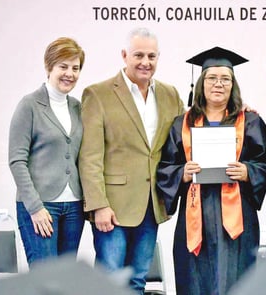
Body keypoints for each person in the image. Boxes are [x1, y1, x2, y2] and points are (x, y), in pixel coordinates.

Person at [157, 46, 266, 295]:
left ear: (233, 85)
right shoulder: (182, 123)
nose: (218, 84)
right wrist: (183, 173)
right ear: (201, 83)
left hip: (237, 215)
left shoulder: (250, 121)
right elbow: (165, 167)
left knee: (236, 278)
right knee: (195, 277)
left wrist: (247, 171)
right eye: (211, 78)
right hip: (194, 211)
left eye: (225, 79)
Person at [78, 27, 184, 294]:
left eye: (151, 56)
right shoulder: (98, 94)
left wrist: (237, 108)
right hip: (111, 208)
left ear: (158, 58)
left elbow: (191, 128)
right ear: (124, 55)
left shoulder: (170, 95)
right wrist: (98, 204)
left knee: (137, 279)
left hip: (152, 204)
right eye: (138, 55)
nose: (145, 62)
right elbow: (89, 156)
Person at [8, 37, 85, 266]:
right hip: (40, 206)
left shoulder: (78, 108)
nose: (69, 74)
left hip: (74, 207)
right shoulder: (29, 105)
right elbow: (16, 160)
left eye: (75, 68)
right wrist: (35, 207)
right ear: (49, 67)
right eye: (63, 66)